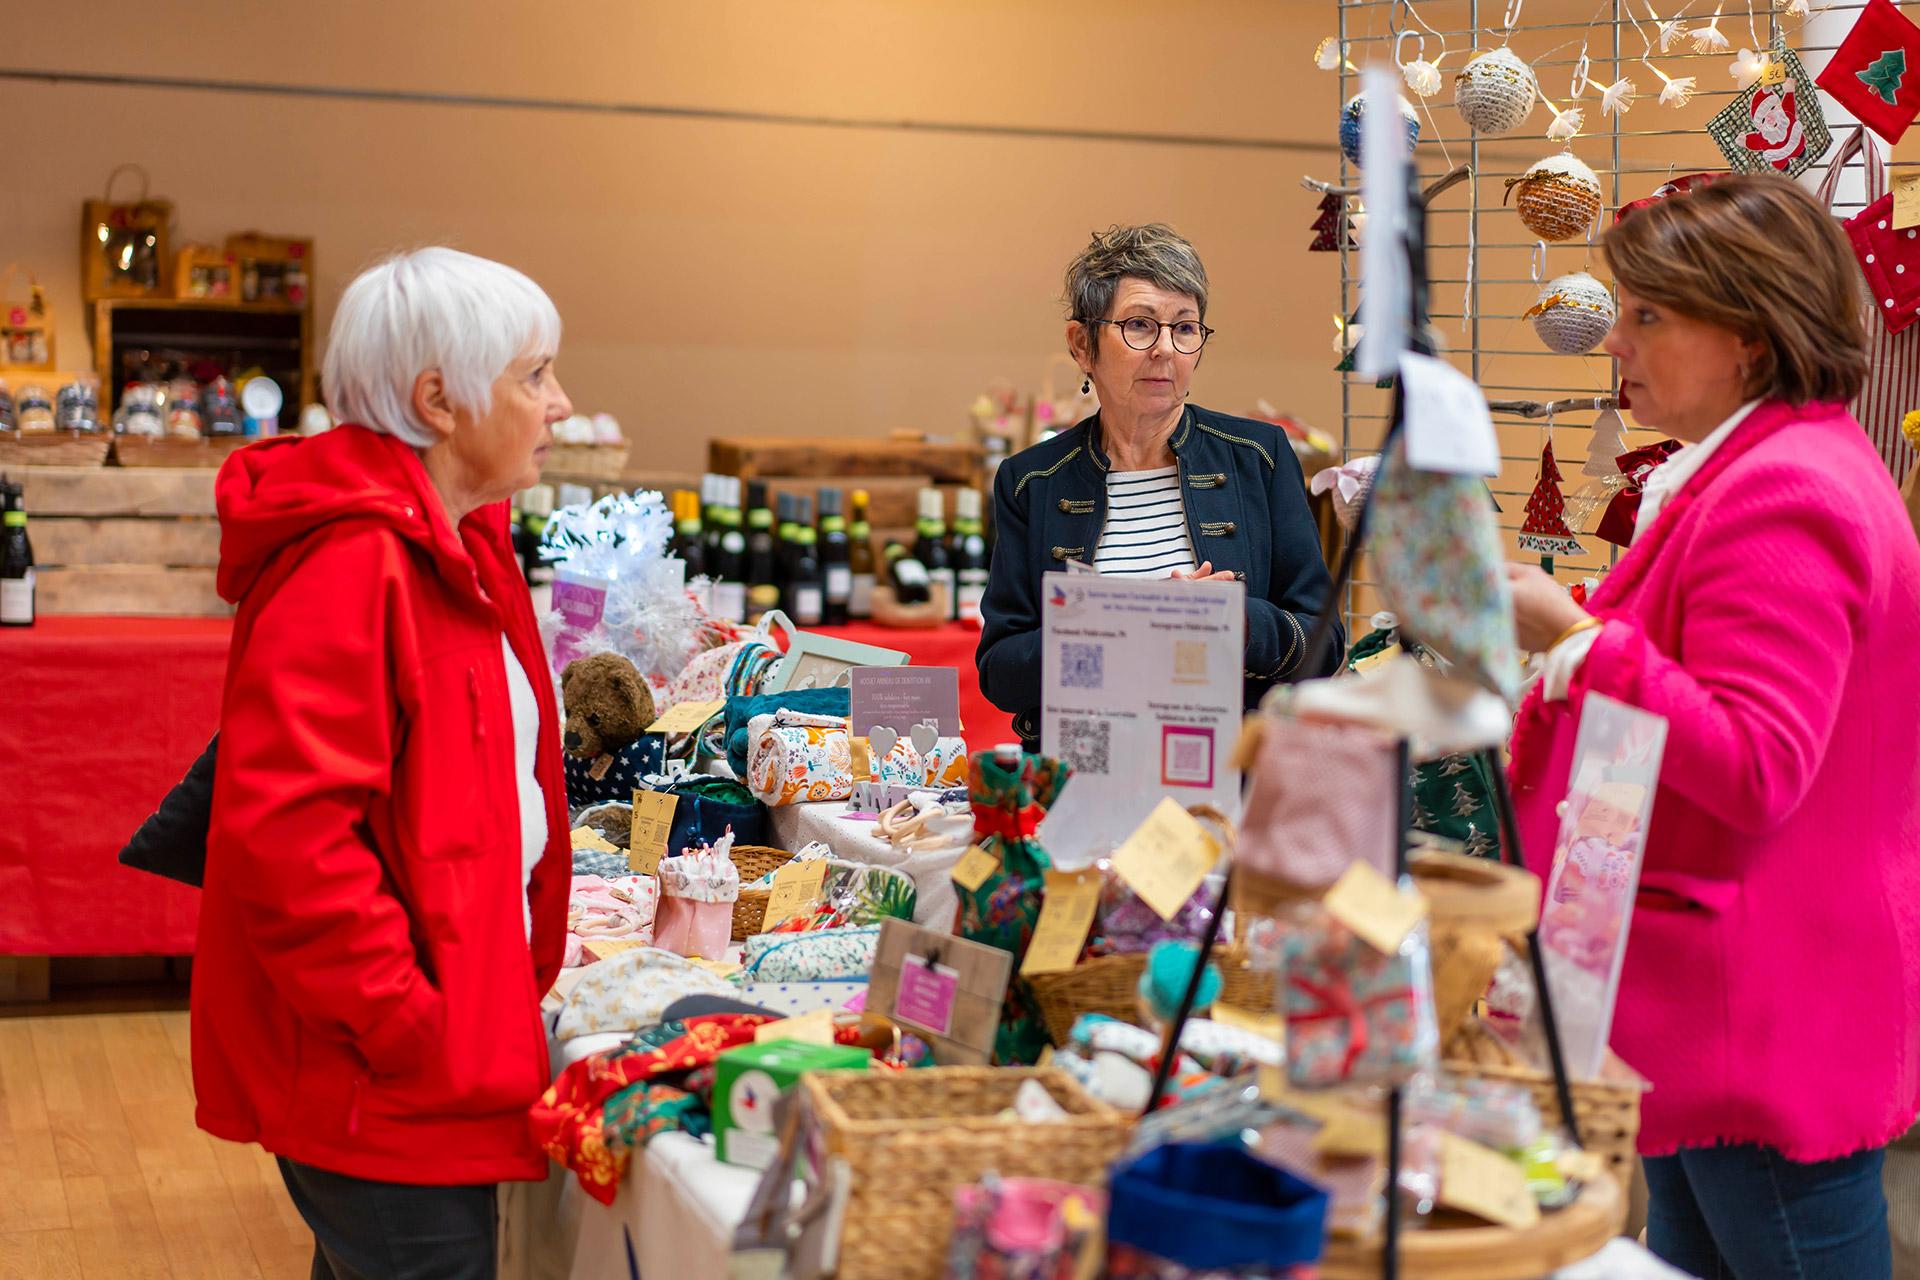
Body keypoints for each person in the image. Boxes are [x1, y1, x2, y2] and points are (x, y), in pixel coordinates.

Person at [1506, 175, 1920, 1280]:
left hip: (1759, 1006)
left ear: (1745, 331)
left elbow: (1753, 762)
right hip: (1719, 994)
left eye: (1647, 315)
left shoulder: (1781, 489)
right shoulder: (1763, 462)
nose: (1617, 346)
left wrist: (1576, 640)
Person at [191, 247, 576, 1279]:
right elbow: (287, 841)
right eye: (534, 375)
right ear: (438, 398)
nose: (560, 403)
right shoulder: (352, 563)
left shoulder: (459, 537)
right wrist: (413, 1023)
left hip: (428, 1052)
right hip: (383, 1075)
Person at [977, 223, 1341, 748]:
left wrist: (1239, 623)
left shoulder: (1259, 457)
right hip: (1078, 776)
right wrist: (1135, 625)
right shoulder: (1032, 481)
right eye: (1140, 325)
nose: (1165, 349)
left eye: (1185, 328)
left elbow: (1325, 643)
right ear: (1082, 345)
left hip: (1230, 778)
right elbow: (1001, 671)